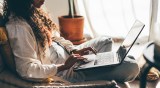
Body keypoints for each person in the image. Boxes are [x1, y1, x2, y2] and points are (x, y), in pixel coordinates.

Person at [2, 0, 139, 83]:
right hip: (65, 71)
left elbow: (58, 39)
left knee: (106, 41)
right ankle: (99, 73)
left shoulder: (33, 12)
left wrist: (74, 50)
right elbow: (26, 70)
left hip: (71, 58)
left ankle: (101, 67)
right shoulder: (18, 27)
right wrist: (64, 66)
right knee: (131, 65)